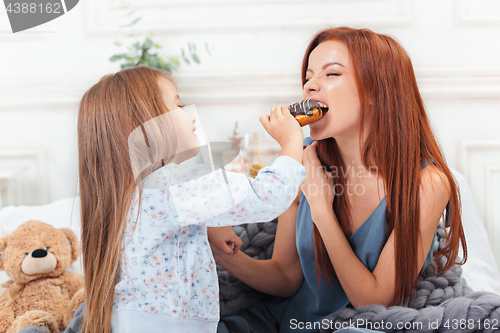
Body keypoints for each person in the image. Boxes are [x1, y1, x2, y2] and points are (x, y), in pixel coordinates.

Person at [211, 27, 468, 333]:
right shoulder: (302, 159)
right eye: (308, 77)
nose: (310, 87)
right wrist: (223, 253)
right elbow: (285, 276)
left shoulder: (427, 182)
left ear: (375, 91)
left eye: (331, 74)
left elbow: (375, 301)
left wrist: (321, 210)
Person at [76, 66, 306, 333]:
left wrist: (208, 226)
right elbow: (270, 195)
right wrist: (291, 139)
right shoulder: (176, 182)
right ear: (148, 123)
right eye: (178, 105)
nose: (192, 117)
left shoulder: (131, 194)